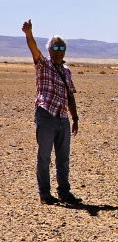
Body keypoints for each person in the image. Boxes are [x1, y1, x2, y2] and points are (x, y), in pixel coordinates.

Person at [22, 19, 83, 205]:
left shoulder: (66, 71)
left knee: (63, 158)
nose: (58, 52)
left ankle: (64, 192)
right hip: (46, 115)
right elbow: (33, 48)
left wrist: (75, 118)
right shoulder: (43, 64)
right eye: (55, 48)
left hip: (63, 117)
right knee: (44, 156)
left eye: (61, 48)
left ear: (65, 51)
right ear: (49, 50)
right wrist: (29, 34)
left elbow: (70, 95)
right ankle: (44, 194)